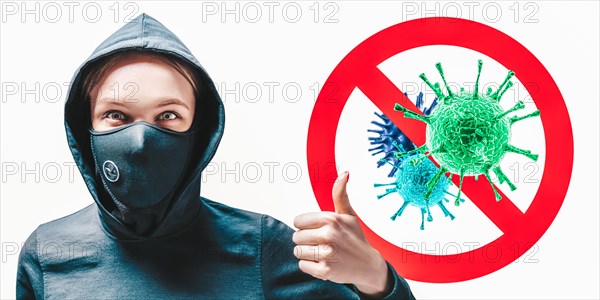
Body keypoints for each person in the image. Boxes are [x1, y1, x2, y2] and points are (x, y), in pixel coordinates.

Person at [16, 13, 415, 299]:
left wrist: (374, 277)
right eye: (116, 115)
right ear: (85, 129)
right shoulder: (48, 252)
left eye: (168, 116)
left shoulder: (264, 248)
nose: (139, 142)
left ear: (200, 132)